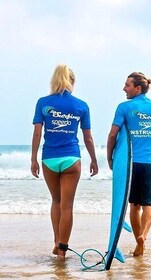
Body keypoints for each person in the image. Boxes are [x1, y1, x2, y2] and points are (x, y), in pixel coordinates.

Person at [31, 64, 99, 260]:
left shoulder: (43, 102)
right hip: (71, 159)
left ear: (54, 80)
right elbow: (88, 137)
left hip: (49, 158)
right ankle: (62, 250)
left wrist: (33, 159)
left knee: (56, 201)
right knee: (67, 205)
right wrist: (94, 159)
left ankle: (56, 242)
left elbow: (37, 132)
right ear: (72, 82)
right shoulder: (81, 105)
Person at [106, 72, 151, 257]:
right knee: (149, 204)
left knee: (134, 206)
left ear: (137, 88)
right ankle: (144, 237)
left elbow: (113, 135)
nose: (124, 88)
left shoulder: (124, 107)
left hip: (131, 164)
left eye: (127, 85)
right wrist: (145, 141)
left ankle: (138, 239)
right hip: (150, 163)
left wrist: (110, 158)